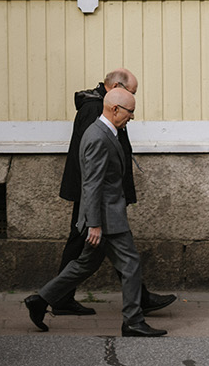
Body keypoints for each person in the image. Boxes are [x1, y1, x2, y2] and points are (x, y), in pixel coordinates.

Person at [24, 84, 167, 338]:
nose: (132, 117)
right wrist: (95, 224)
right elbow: (91, 183)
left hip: (106, 215)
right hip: (107, 218)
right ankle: (133, 321)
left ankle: (40, 300)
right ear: (114, 109)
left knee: (84, 265)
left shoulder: (105, 132)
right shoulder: (98, 136)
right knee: (131, 264)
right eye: (130, 112)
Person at [54, 67, 175, 318]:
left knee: (94, 249)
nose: (132, 104)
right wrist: (94, 208)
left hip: (98, 192)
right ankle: (55, 297)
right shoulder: (96, 108)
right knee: (95, 246)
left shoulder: (103, 104)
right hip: (95, 193)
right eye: (132, 93)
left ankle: (53, 297)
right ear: (118, 89)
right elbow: (94, 157)